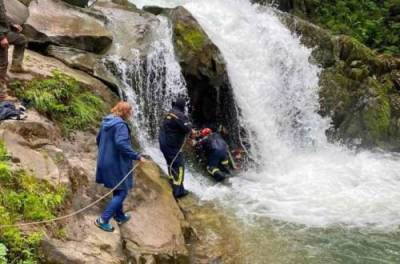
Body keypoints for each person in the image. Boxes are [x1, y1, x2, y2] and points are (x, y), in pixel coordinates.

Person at [95, 101, 146, 232]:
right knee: (122, 191)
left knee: (118, 187)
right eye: (130, 112)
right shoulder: (121, 126)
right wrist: (137, 156)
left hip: (104, 160)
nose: (131, 115)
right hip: (115, 163)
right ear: (125, 112)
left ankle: (119, 215)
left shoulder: (106, 121)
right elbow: (122, 144)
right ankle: (103, 219)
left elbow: (98, 139)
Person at [159, 97, 192, 199]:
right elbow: (187, 128)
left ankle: (172, 181)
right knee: (180, 166)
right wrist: (190, 125)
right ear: (183, 106)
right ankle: (179, 190)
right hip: (172, 145)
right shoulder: (180, 115)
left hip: (163, 143)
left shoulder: (169, 113)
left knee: (171, 162)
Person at [0, 0, 28, 101]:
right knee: (2, 64)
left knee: (21, 39)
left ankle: (16, 66)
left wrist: (12, 25)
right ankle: (1, 95)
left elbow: (2, 16)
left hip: (4, 32)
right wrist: (2, 37)